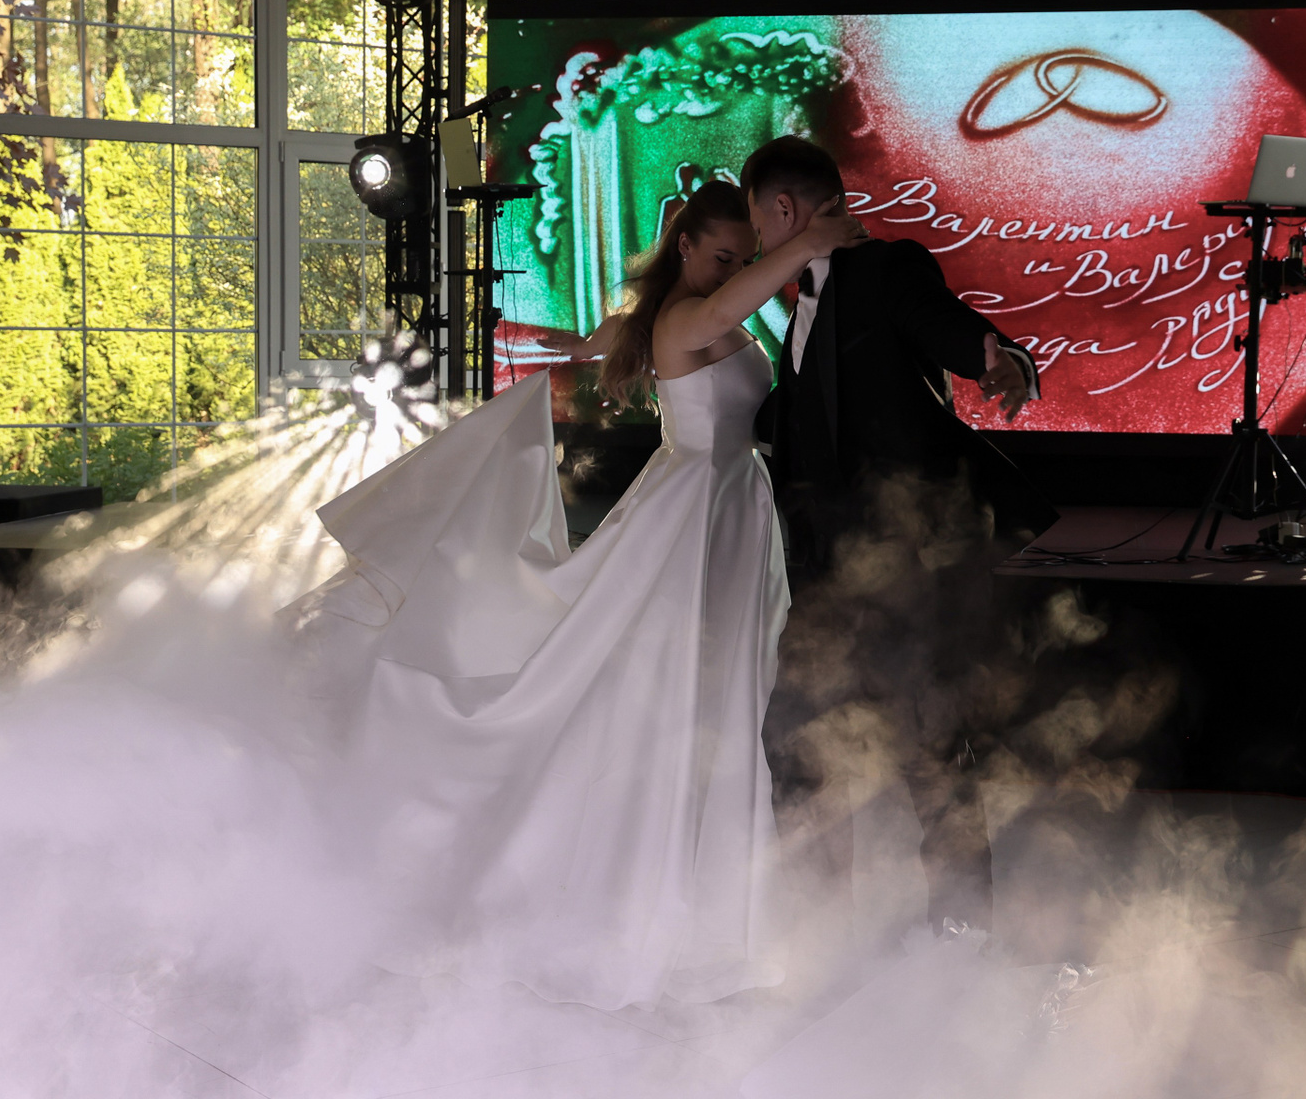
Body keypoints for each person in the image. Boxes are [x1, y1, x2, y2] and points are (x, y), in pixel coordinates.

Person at [290, 179, 864, 1009]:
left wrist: (595, 336)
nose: (733, 269)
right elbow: (718, 306)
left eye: (740, 258)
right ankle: (633, 901)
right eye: (720, 255)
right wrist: (807, 241)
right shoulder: (687, 317)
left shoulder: (677, 312)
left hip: (726, 510)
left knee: (709, 705)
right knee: (665, 703)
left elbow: (621, 334)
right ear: (686, 247)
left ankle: (698, 910)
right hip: (690, 519)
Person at [745, 134, 1057, 935]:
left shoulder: (887, 268)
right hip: (825, 574)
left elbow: (947, 326)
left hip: (907, 563)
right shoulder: (799, 303)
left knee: (932, 744)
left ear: (783, 209)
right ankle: (818, 926)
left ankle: (961, 928)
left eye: (757, 222)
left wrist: (996, 357)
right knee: (797, 741)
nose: (756, 240)